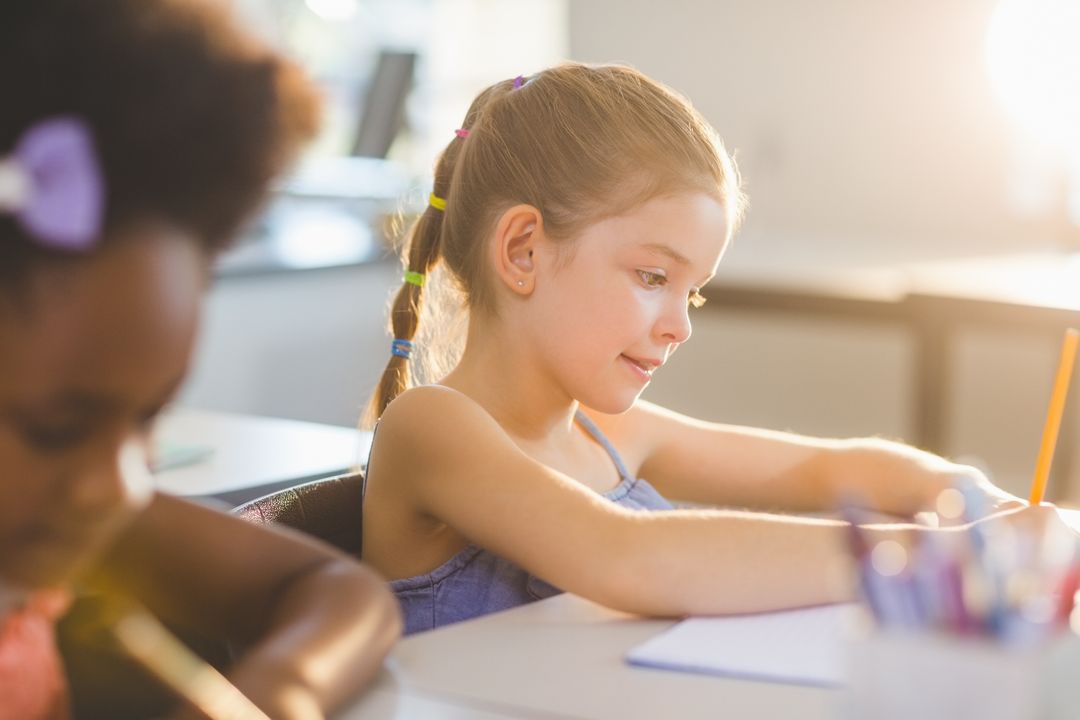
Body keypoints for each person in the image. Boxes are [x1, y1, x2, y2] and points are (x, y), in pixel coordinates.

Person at [360, 63, 1057, 636]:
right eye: (653, 277)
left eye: (692, 294)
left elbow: (828, 467)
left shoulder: (612, 436)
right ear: (523, 250)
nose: (680, 326)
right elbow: (631, 558)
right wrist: (948, 555)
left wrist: (977, 503)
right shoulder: (431, 429)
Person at [0, 1, 400, 718]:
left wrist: (279, 692)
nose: (115, 485)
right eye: (55, 426)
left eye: (148, 419)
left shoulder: (62, 515)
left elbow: (340, 592)